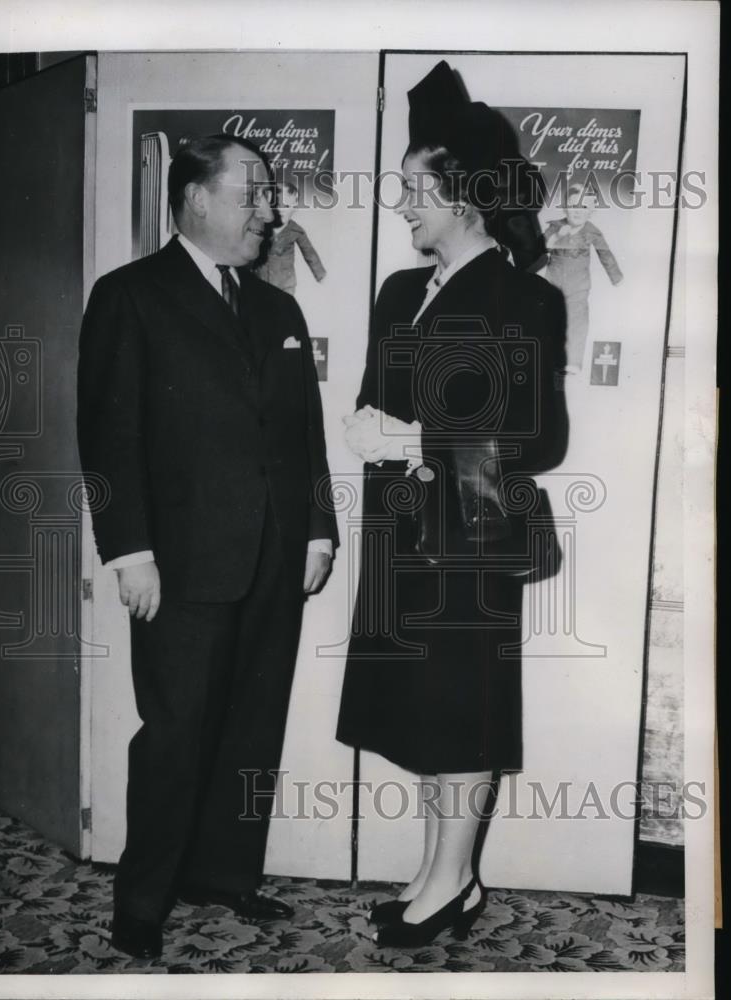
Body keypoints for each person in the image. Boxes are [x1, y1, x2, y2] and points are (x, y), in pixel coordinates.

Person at [77, 134, 338, 960]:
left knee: (253, 723)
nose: (270, 210)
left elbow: (304, 434)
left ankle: (222, 875)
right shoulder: (130, 295)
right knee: (177, 729)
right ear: (194, 199)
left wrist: (319, 527)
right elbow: (108, 435)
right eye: (251, 194)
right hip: (180, 563)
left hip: (275, 558)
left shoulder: (278, 309)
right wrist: (129, 551)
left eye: (268, 194)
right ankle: (143, 897)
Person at [336, 62, 568, 948]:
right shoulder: (402, 292)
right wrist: (369, 425)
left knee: (463, 711)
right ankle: (444, 874)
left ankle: (452, 877)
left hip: (471, 541)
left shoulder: (524, 298)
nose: (402, 207)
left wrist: (405, 442)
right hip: (402, 537)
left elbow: (540, 439)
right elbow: (374, 396)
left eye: (412, 191)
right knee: (425, 713)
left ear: (465, 197)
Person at [543, 183, 624, 373]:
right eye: (573, 205)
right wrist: (555, 237)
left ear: (591, 211)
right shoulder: (555, 226)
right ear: (564, 207)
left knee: (577, 320)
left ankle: (573, 360)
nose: (577, 211)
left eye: (584, 207)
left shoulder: (592, 231)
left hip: (578, 284)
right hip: (552, 281)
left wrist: (616, 277)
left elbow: (606, 254)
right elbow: (540, 247)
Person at [253, 180, 327, 296]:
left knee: (285, 310)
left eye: (286, 206)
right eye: (277, 205)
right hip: (261, 280)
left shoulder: (296, 230)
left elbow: (310, 254)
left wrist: (321, 276)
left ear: (295, 207)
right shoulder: (262, 226)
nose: (281, 209)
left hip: (286, 284)